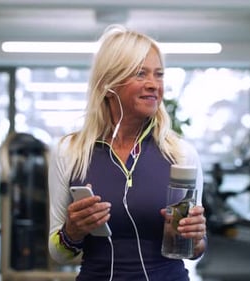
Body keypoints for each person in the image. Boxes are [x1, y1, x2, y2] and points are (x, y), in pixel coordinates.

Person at [48, 24, 207, 281]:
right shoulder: (70, 152)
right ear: (109, 83)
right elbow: (57, 254)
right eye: (140, 74)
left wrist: (196, 238)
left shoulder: (181, 153)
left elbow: (195, 251)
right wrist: (71, 231)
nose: (153, 85)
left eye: (159, 75)